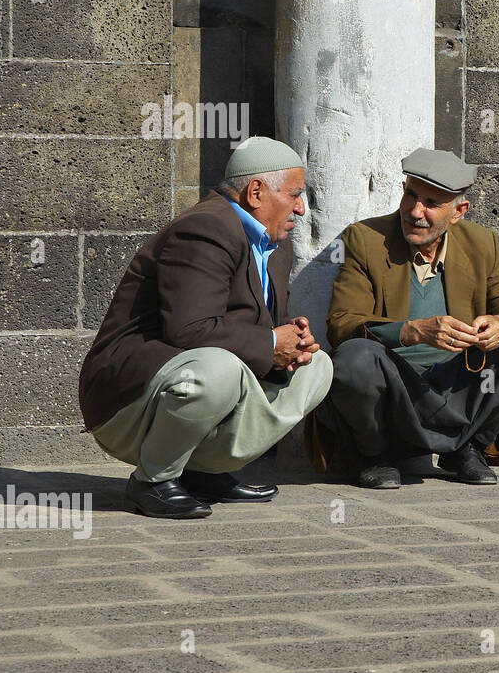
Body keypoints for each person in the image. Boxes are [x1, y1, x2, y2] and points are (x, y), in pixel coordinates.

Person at [78, 137, 332, 519]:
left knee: (318, 365)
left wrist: (288, 348)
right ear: (256, 192)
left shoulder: (274, 246)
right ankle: (153, 480)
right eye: (295, 194)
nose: (301, 206)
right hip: (127, 398)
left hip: (198, 375)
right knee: (219, 369)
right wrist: (269, 341)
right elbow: (191, 329)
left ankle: (202, 470)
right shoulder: (206, 228)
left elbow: (245, 331)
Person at [313, 148, 499, 488]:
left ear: (458, 211)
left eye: (431, 203)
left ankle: (469, 446)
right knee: (354, 359)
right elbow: (342, 323)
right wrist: (411, 332)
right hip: (398, 384)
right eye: (410, 196)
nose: (415, 212)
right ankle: (375, 454)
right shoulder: (365, 239)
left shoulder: (481, 244)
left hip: (460, 382)